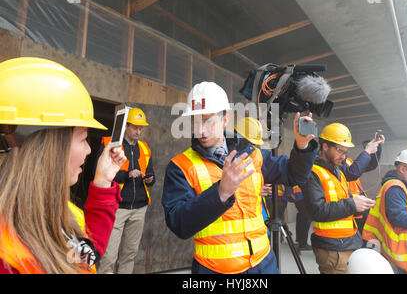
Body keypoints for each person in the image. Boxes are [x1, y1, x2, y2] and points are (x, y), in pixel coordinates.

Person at [161, 81, 318, 274]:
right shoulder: (180, 166)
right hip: (215, 270)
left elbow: (295, 175)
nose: (201, 130)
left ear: (225, 119)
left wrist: (302, 146)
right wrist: (220, 193)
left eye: (208, 120)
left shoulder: (251, 153)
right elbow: (179, 224)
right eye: (195, 121)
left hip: (263, 264)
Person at [0, 57, 126, 274]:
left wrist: (103, 182)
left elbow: (87, 255)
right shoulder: (9, 257)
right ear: (48, 148)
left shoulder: (63, 212)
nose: (89, 150)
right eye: (83, 138)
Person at [302, 122, 376, 274]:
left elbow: (343, 194)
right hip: (332, 248)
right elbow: (317, 210)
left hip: (347, 242)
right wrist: (352, 204)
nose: (344, 156)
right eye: (340, 151)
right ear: (324, 147)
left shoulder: (337, 170)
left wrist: (358, 204)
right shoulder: (312, 172)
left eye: (346, 152)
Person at [97, 107, 155, 274]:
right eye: (135, 127)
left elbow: (151, 175)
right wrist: (126, 175)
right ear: (126, 126)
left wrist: (149, 179)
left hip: (139, 208)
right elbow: (99, 174)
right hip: (117, 208)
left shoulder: (144, 148)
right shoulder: (110, 145)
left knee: (129, 254)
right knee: (109, 256)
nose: (138, 131)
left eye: (141, 128)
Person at [341, 135, 384, 236]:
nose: (344, 153)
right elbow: (353, 173)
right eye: (341, 149)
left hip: (359, 208)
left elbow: (371, 164)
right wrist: (367, 151)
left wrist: (376, 147)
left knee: (362, 238)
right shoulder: (334, 165)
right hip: (349, 209)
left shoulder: (347, 162)